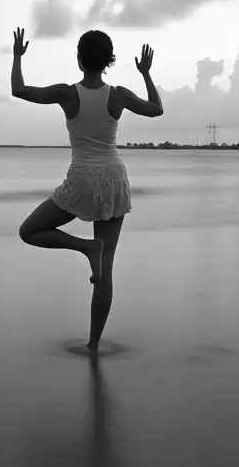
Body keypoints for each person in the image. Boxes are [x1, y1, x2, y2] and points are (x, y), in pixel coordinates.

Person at [12, 27, 163, 351]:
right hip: (114, 180)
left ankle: (84, 248)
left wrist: (17, 56)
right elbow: (156, 108)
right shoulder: (119, 95)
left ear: (79, 58)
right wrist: (147, 75)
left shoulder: (68, 93)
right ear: (110, 60)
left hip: (82, 180)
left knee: (29, 231)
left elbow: (19, 90)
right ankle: (94, 346)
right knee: (106, 271)